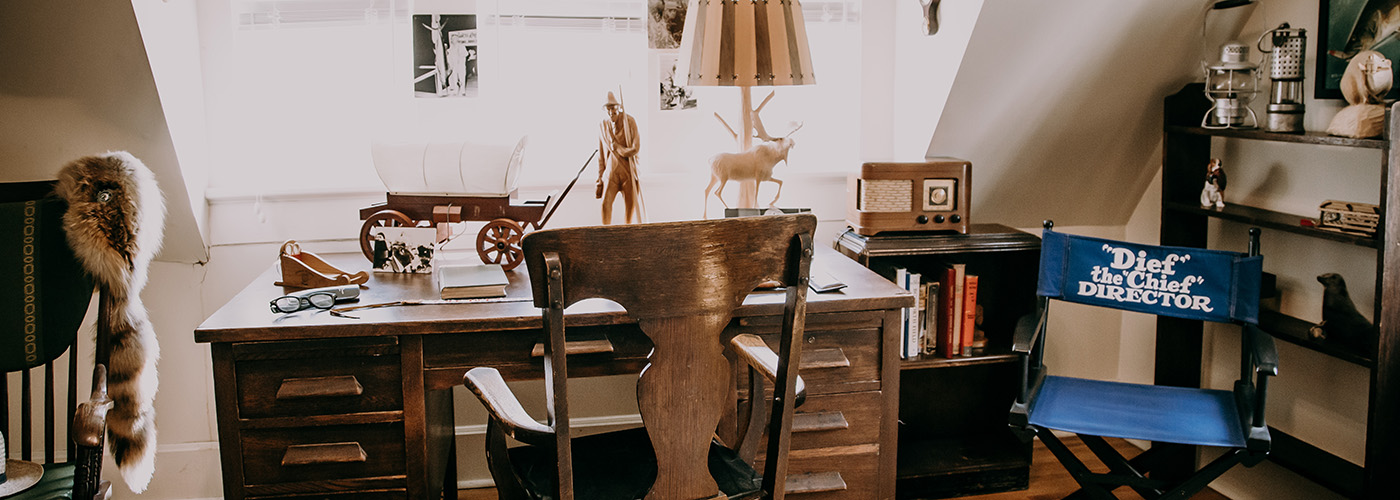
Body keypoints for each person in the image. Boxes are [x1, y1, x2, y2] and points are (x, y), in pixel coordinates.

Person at [596, 91, 644, 224]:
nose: (611, 111)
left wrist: (619, 149)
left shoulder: (630, 121)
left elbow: (635, 148)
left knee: (629, 210)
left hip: (628, 171)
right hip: (611, 173)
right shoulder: (602, 125)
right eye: (608, 108)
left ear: (619, 107)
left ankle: (627, 239)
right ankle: (606, 237)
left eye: (613, 107)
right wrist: (600, 177)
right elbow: (601, 155)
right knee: (605, 205)